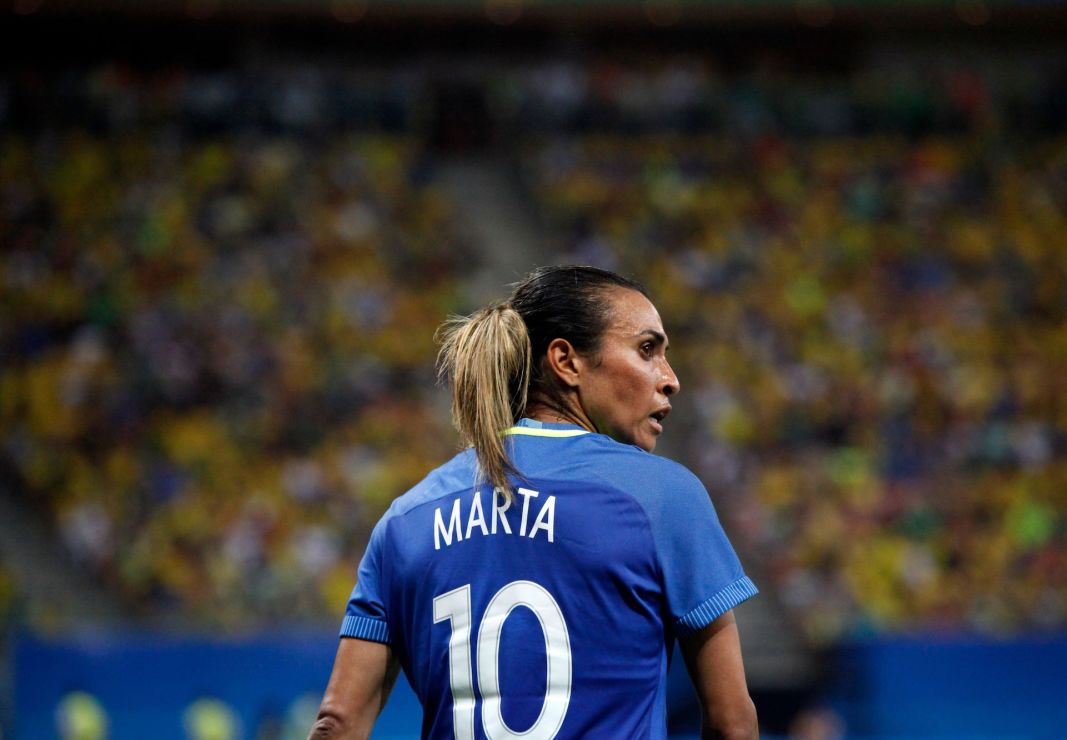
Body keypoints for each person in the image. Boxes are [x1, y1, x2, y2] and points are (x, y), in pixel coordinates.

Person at [309, 265, 759, 739]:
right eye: (647, 349)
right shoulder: (662, 497)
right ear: (566, 361)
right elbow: (733, 722)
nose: (670, 379)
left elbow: (337, 722)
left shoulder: (404, 520)